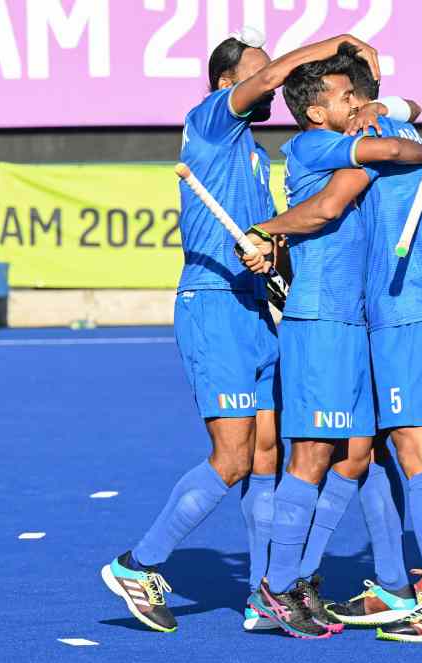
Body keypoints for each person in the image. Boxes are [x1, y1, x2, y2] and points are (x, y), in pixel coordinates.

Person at [99, 29, 381, 634]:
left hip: (254, 307)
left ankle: (263, 594)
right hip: (213, 307)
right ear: (227, 84)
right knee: (230, 458)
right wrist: (332, 44)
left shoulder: (253, 154)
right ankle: (137, 565)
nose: (274, 83)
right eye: (260, 73)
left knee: (266, 453)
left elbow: (268, 237)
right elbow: (275, 76)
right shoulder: (207, 122)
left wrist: (270, 251)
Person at [240, 47, 422, 640]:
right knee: (311, 455)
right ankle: (275, 587)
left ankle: (299, 577)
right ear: (316, 112)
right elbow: (333, 202)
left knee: (357, 453)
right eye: (346, 98)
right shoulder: (314, 145)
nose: (357, 104)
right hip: (321, 320)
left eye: (359, 95)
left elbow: (398, 127)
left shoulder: (348, 143)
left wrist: (390, 110)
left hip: (355, 321)